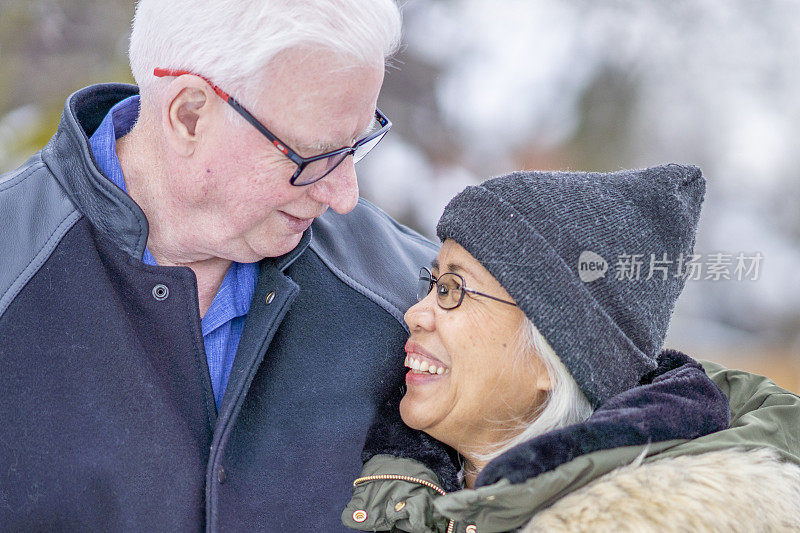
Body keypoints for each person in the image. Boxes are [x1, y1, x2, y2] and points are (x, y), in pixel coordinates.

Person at [0, 1, 438, 530]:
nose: (344, 194)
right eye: (313, 156)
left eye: (357, 144)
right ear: (189, 114)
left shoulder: (424, 306)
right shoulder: (13, 272)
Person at [342, 166, 800, 532]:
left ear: (553, 357)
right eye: (432, 281)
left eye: (453, 288)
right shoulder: (389, 480)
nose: (415, 313)